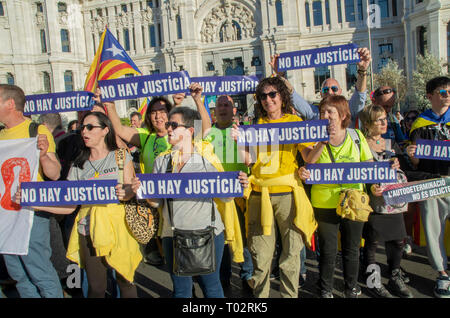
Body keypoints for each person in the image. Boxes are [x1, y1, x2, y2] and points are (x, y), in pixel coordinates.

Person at [16, 112, 142, 298]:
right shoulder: (78, 164)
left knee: (126, 283)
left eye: (91, 127)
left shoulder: (121, 157)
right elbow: (69, 205)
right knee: (96, 288)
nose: (85, 131)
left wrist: (129, 192)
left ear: (105, 130)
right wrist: (36, 204)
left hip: (119, 229)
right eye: (83, 127)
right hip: (87, 231)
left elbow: (130, 189)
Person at [133, 106, 248, 298]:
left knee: (211, 288)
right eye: (168, 124)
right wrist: (142, 192)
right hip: (172, 236)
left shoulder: (205, 160)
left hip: (207, 234)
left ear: (190, 131)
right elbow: (156, 203)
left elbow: (225, 197)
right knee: (181, 291)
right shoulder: (162, 162)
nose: (168, 128)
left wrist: (239, 185)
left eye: (173, 124)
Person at [232, 76, 316, 298]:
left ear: (282, 96)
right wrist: (239, 140)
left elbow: (308, 156)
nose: (268, 100)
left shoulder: (295, 122)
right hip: (260, 196)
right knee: (261, 256)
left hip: (289, 195)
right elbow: (248, 161)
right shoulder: (255, 125)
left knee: (291, 256)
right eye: (263, 96)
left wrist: (322, 142)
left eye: (273, 94)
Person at [298, 95, 373, 298]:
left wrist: (386, 168)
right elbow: (308, 163)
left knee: (351, 249)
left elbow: (369, 164)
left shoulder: (356, 136)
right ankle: (326, 288)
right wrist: (322, 142)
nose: (326, 115)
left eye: (330, 112)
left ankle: (351, 287)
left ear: (342, 115)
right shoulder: (313, 137)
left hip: (354, 202)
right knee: (328, 250)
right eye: (323, 112)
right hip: (324, 202)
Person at [0, 84, 63, 298]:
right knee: (19, 275)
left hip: (31, 212)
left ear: (10, 103)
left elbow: (54, 174)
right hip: (6, 214)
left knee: (39, 272)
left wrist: (44, 155)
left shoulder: (37, 131)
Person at [359, 104, 413, 298]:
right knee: (372, 242)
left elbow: (405, 166)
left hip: (394, 200)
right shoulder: (361, 144)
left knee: (398, 240)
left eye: (384, 119)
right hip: (373, 200)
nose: (383, 123)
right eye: (378, 120)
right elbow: (358, 173)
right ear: (367, 123)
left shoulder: (389, 143)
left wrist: (400, 163)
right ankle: (373, 280)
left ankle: (395, 276)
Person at [204, 95, 254, 294]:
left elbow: (254, 160)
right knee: (221, 240)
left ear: (234, 110)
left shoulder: (245, 131)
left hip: (241, 194)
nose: (223, 108)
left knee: (243, 237)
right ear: (214, 111)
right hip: (216, 196)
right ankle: (224, 280)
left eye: (227, 105)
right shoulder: (207, 132)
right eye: (219, 106)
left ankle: (247, 276)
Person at [406, 76, 450, 298]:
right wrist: (412, 156)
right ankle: (442, 274)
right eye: (442, 92)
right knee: (433, 230)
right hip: (432, 183)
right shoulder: (421, 124)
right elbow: (417, 161)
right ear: (430, 96)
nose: (447, 95)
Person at [270, 48, 372, 127]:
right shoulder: (315, 113)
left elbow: (360, 94)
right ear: (321, 94)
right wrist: (280, 75)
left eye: (334, 89)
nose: (330, 92)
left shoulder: (350, 109)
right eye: (326, 90)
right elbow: (292, 95)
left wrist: (362, 70)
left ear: (340, 91)